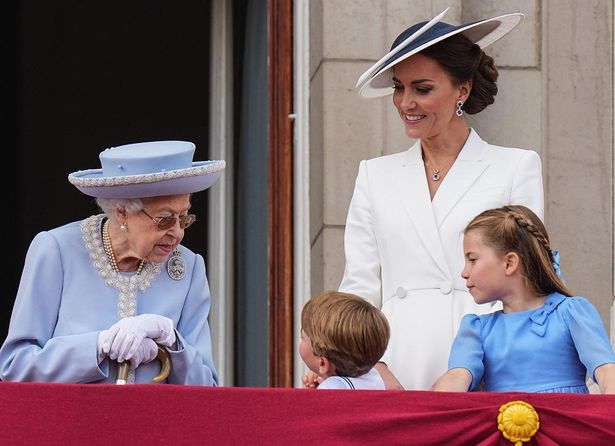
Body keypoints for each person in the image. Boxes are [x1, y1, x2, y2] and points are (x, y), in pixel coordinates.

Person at [339, 8, 545, 390]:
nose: (405, 103)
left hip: (488, 362)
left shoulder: (515, 167)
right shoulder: (374, 175)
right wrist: (373, 369)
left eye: (422, 88)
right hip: (395, 362)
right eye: (399, 87)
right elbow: (359, 289)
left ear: (462, 90)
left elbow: (528, 281)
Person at [0, 140, 225, 385]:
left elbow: (207, 387)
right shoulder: (56, 251)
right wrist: (98, 346)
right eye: (164, 219)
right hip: (72, 421)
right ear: (121, 212)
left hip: (154, 422)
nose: (178, 233)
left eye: (184, 218)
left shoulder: (189, 268)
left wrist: (172, 341)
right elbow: (15, 366)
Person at [431, 205, 615, 394]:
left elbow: (607, 371)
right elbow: (457, 377)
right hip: (502, 422)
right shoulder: (476, 329)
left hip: (566, 422)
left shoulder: (571, 313)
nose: (464, 273)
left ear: (509, 263)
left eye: (472, 260)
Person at [299, 291, 390, 390]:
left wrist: (308, 400)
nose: (300, 340)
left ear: (322, 363)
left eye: (302, 337)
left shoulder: (330, 391)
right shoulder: (374, 377)